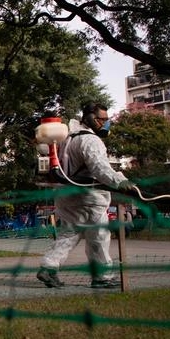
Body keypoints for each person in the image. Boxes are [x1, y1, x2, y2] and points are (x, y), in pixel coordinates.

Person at [37, 103, 136, 289]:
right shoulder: (90, 141)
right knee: (98, 237)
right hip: (89, 198)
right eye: (101, 119)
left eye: (106, 120)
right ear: (89, 118)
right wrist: (119, 182)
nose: (105, 124)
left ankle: (48, 268)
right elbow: (99, 168)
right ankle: (102, 277)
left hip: (65, 196)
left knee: (68, 235)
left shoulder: (66, 139)